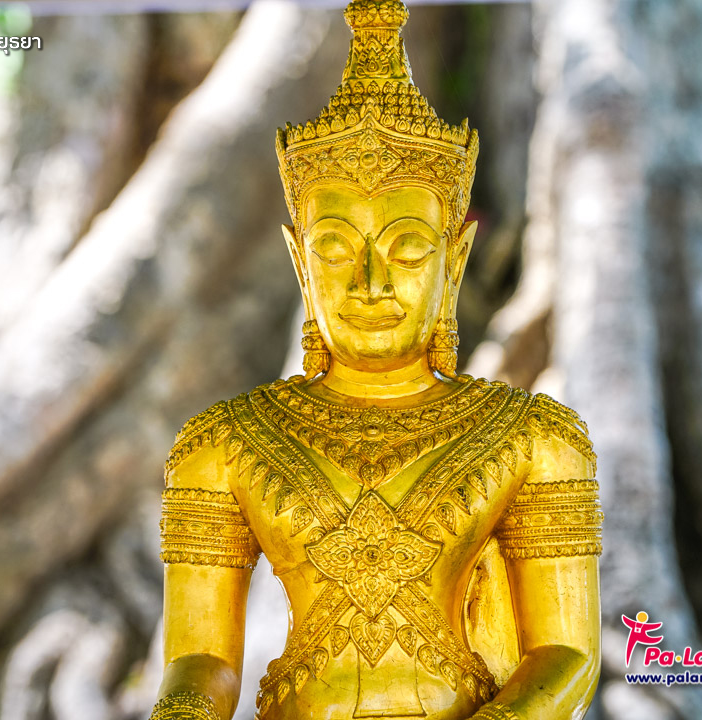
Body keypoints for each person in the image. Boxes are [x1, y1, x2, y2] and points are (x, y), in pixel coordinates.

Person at [151, 2, 602, 718]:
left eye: (407, 249)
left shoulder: (534, 439)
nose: (369, 282)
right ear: (301, 264)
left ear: (453, 263)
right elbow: (201, 659)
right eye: (334, 248)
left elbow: (568, 654)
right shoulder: (221, 446)